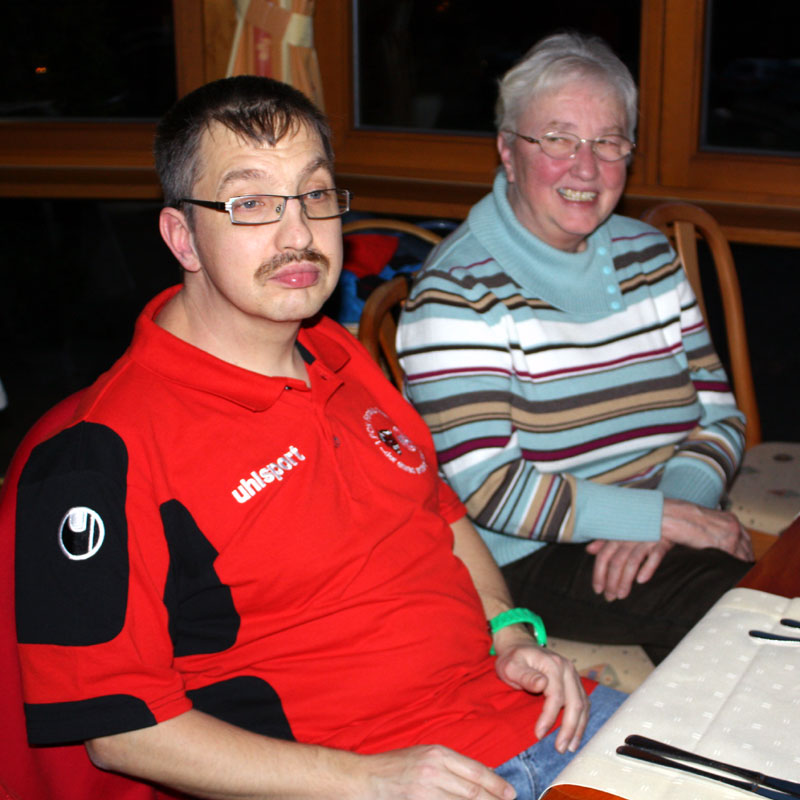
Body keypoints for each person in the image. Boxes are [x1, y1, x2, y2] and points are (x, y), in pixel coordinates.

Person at [5, 75, 625, 800]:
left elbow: (441, 516)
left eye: (316, 195)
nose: (298, 234)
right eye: (252, 204)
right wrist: (369, 780)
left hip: (541, 723)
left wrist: (511, 633)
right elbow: (120, 730)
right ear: (183, 237)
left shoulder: (338, 354)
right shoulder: (98, 455)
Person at [396, 32, 754, 666]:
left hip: (666, 511)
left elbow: (721, 415)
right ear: (509, 151)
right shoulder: (456, 294)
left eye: (608, 142)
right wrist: (656, 520)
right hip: (533, 552)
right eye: (557, 139)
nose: (585, 168)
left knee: (752, 631)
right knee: (750, 618)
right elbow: (493, 491)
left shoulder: (649, 254)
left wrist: (671, 511)